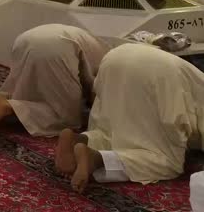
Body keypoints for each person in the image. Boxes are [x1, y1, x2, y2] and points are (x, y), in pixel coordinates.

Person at [56, 44, 204, 193]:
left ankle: (79, 139)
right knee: (166, 161)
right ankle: (96, 159)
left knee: (114, 131)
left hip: (118, 55)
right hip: (160, 75)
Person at [0, 24, 111, 136]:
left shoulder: (104, 47)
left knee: (25, 90)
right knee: (67, 118)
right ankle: (9, 107)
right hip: (58, 49)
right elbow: (97, 94)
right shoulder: (111, 64)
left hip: (25, 39)